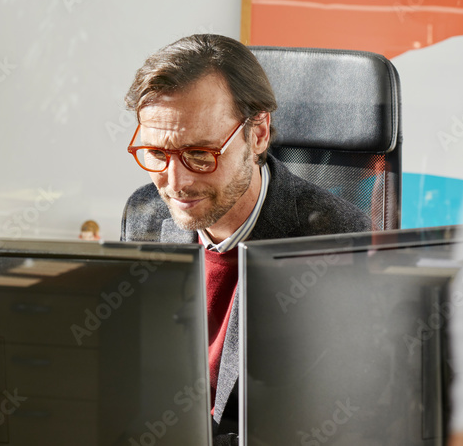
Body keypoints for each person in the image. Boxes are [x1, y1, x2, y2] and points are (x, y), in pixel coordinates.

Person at [120, 34, 369, 443]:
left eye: (200, 154)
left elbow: (333, 418)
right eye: (158, 154)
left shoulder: (335, 240)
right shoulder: (144, 214)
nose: (176, 183)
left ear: (258, 134)